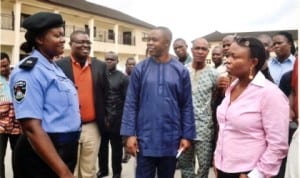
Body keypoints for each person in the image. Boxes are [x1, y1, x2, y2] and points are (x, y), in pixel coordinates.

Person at [9, 12, 81, 178]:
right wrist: (63, 172)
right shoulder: (27, 72)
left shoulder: (53, 67)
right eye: (57, 35)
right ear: (40, 39)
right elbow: (31, 128)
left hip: (63, 150)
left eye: (63, 35)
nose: (63, 40)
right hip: (40, 156)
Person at [120, 26, 196, 178]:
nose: (149, 43)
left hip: (171, 139)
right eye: (148, 39)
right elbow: (131, 103)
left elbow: (186, 105)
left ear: (167, 43)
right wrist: (129, 135)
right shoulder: (140, 69)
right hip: (145, 140)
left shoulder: (180, 71)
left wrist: (187, 136)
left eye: (154, 40)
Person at [214, 37, 289, 178]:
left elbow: (278, 145)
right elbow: (225, 129)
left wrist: (257, 174)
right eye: (228, 55)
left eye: (234, 57)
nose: (227, 60)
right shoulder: (231, 89)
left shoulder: (270, 94)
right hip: (224, 168)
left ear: (253, 62)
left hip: (249, 171)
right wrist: (218, 159)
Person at [56, 30, 109, 178]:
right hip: (67, 127)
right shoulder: (59, 66)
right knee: (69, 168)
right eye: (80, 42)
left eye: (88, 43)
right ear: (70, 44)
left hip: (92, 126)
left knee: (89, 170)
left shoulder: (100, 66)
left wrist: (107, 118)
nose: (85, 45)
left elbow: (108, 94)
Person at [179, 38, 218, 178]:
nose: (200, 52)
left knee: (204, 166)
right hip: (184, 127)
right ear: (191, 50)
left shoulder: (214, 74)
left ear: (208, 51)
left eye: (204, 49)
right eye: (197, 48)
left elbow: (216, 99)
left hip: (204, 128)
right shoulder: (182, 71)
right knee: (185, 164)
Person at [97, 51, 128, 178]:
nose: (109, 61)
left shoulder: (123, 78)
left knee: (116, 149)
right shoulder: (99, 76)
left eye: (112, 59)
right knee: (102, 148)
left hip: (117, 119)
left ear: (117, 61)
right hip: (101, 118)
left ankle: (117, 172)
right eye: (107, 59)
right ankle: (103, 170)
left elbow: (127, 100)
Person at [0, 52, 22, 178]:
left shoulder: (18, 78)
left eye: (6, 65)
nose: (4, 69)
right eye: (1, 66)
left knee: (18, 159)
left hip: (17, 126)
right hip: (0, 126)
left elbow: (21, 99)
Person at [121, 57, 136, 164]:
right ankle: (126, 153)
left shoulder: (138, 77)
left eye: (133, 64)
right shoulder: (122, 77)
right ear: (125, 65)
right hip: (123, 109)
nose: (131, 66)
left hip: (135, 110)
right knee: (124, 135)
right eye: (129, 64)